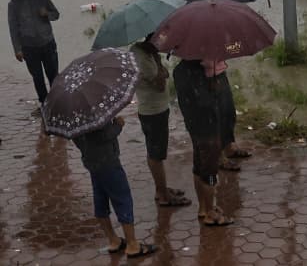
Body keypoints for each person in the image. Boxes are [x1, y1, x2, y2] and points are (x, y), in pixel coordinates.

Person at [71, 114, 158, 259]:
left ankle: (113, 239)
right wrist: (118, 125)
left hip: (92, 164)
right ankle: (132, 244)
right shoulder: (93, 112)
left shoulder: (73, 117)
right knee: (123, 200)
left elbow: (79, 140)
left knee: (100, 200)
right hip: (109, 163)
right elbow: (104, 135)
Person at [172, 58, 233, 227]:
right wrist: (214, 88)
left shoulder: (179, 70)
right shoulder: (197, 73)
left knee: (199, 166)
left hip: (194, 126)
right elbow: (204, 102)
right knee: (210, 172)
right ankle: (210, 212)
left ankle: (203, 208)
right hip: (207, 127)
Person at [130, 36, 189, 208]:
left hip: (154, 109)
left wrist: (159, 65)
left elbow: (163, 74)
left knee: (156, 152)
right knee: (156, 154)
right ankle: (163, 195)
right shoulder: (143, 59)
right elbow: (161, 84)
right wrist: (158, 62)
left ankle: (161, 188)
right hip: (153, 111)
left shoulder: (140, 51)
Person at [8, 0, 60, 107]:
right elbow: (13, 28)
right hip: (29, 47)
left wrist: (46, 13)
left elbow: (56, 14)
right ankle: (44, 103)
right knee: (37, 78)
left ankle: (57, 101)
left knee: (54, 75)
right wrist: (17, 49)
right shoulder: (14, 4)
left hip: (47, 42)